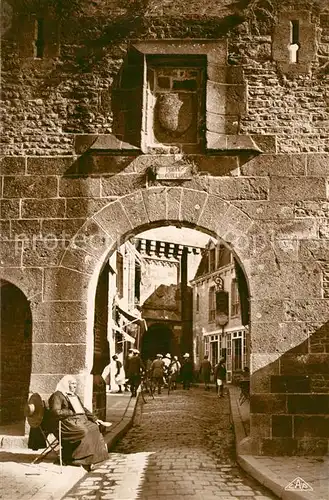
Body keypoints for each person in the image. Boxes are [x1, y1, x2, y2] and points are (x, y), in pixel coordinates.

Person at [48, 375, 111, 470]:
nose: (75, 386)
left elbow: (82, 409)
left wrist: (94, 418)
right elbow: (55, 412)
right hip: (63, 424)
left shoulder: (73, 395)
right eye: (72, 384)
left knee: (94, 427)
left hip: (75, 421)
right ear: (66, 384)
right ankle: (76, 458)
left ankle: (93, 458)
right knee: (83, 431)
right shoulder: (57, 395)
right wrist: (71, 412)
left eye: (76, 384)